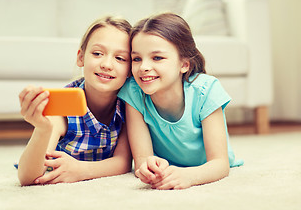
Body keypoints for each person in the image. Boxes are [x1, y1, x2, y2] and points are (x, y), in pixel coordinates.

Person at [118, 12, 243, 190]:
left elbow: (220, 164)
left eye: (157, 58)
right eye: (136, 59)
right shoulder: (133, 92)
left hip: (205, 165)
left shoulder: (206, 91)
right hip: (167, 167)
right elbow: (142, 159)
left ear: (184, 64)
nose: (144, 67)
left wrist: (189, 176)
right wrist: (147, 168)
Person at [17, 16, 132, 186]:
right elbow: (27, 178)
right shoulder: (63, 106)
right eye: (97, 53)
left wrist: (82, 171)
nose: (107, 64)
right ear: (81, 58)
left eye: (120, 58)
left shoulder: (128, 106)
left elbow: (123, 162)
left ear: (131, 69)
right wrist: (42, 129)